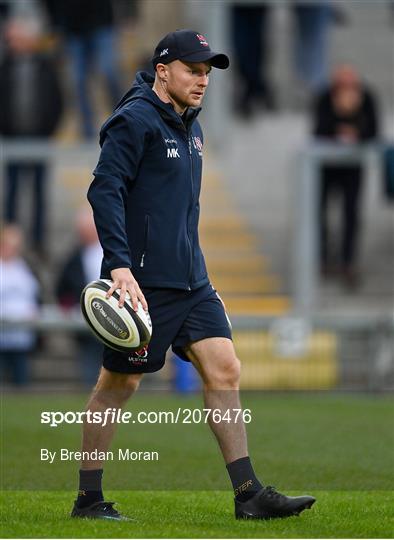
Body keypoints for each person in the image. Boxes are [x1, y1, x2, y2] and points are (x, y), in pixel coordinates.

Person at [71, 29, 315, 521]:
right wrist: (119, 264)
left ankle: (248, 494)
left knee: (225, 369)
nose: (203, 80)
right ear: (163, 72)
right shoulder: (133, 120)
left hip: (192, 280)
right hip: (140, 284)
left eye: (207, 72)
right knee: (118, 387)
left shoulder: (192, 127)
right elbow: (105, 191)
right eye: (193, 70)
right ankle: (89, 500)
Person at [0, 17, 63, 255]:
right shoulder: (6, 66)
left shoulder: (46, 66)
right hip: (13, 141)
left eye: (15, 37)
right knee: (12, 194)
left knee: (38, 193)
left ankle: (38, 243)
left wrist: (48, 130)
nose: (11, 41)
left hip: (40, 140)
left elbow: (58, 100)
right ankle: (8, 243)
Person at [313, 65, 379, 288]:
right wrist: (339, 122)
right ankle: (323, 256)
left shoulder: (367, 98)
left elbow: (373, 131)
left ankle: (348, 260)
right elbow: (318, 130)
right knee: (320, 211)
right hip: (328, 166)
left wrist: (355, 128)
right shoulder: (325, 98)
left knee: (351, 213)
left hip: (352, 167)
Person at [43, 0, 122, 139]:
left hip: (102, 21)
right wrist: (54, 23)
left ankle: (123, 120)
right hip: (72, 28)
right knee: (77, 81)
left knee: (108, 71)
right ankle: (88, 133)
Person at [56, 209, 103, 385]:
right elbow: (63, 286)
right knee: (90, 365)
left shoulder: (115, 250)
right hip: (88, 319)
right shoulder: (75, 257)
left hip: (116, 316)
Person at [0, 224, 40, 385]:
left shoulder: (24, 266)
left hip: (21, 335)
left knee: (21, 380)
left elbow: (34, 293)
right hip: (2, 334)